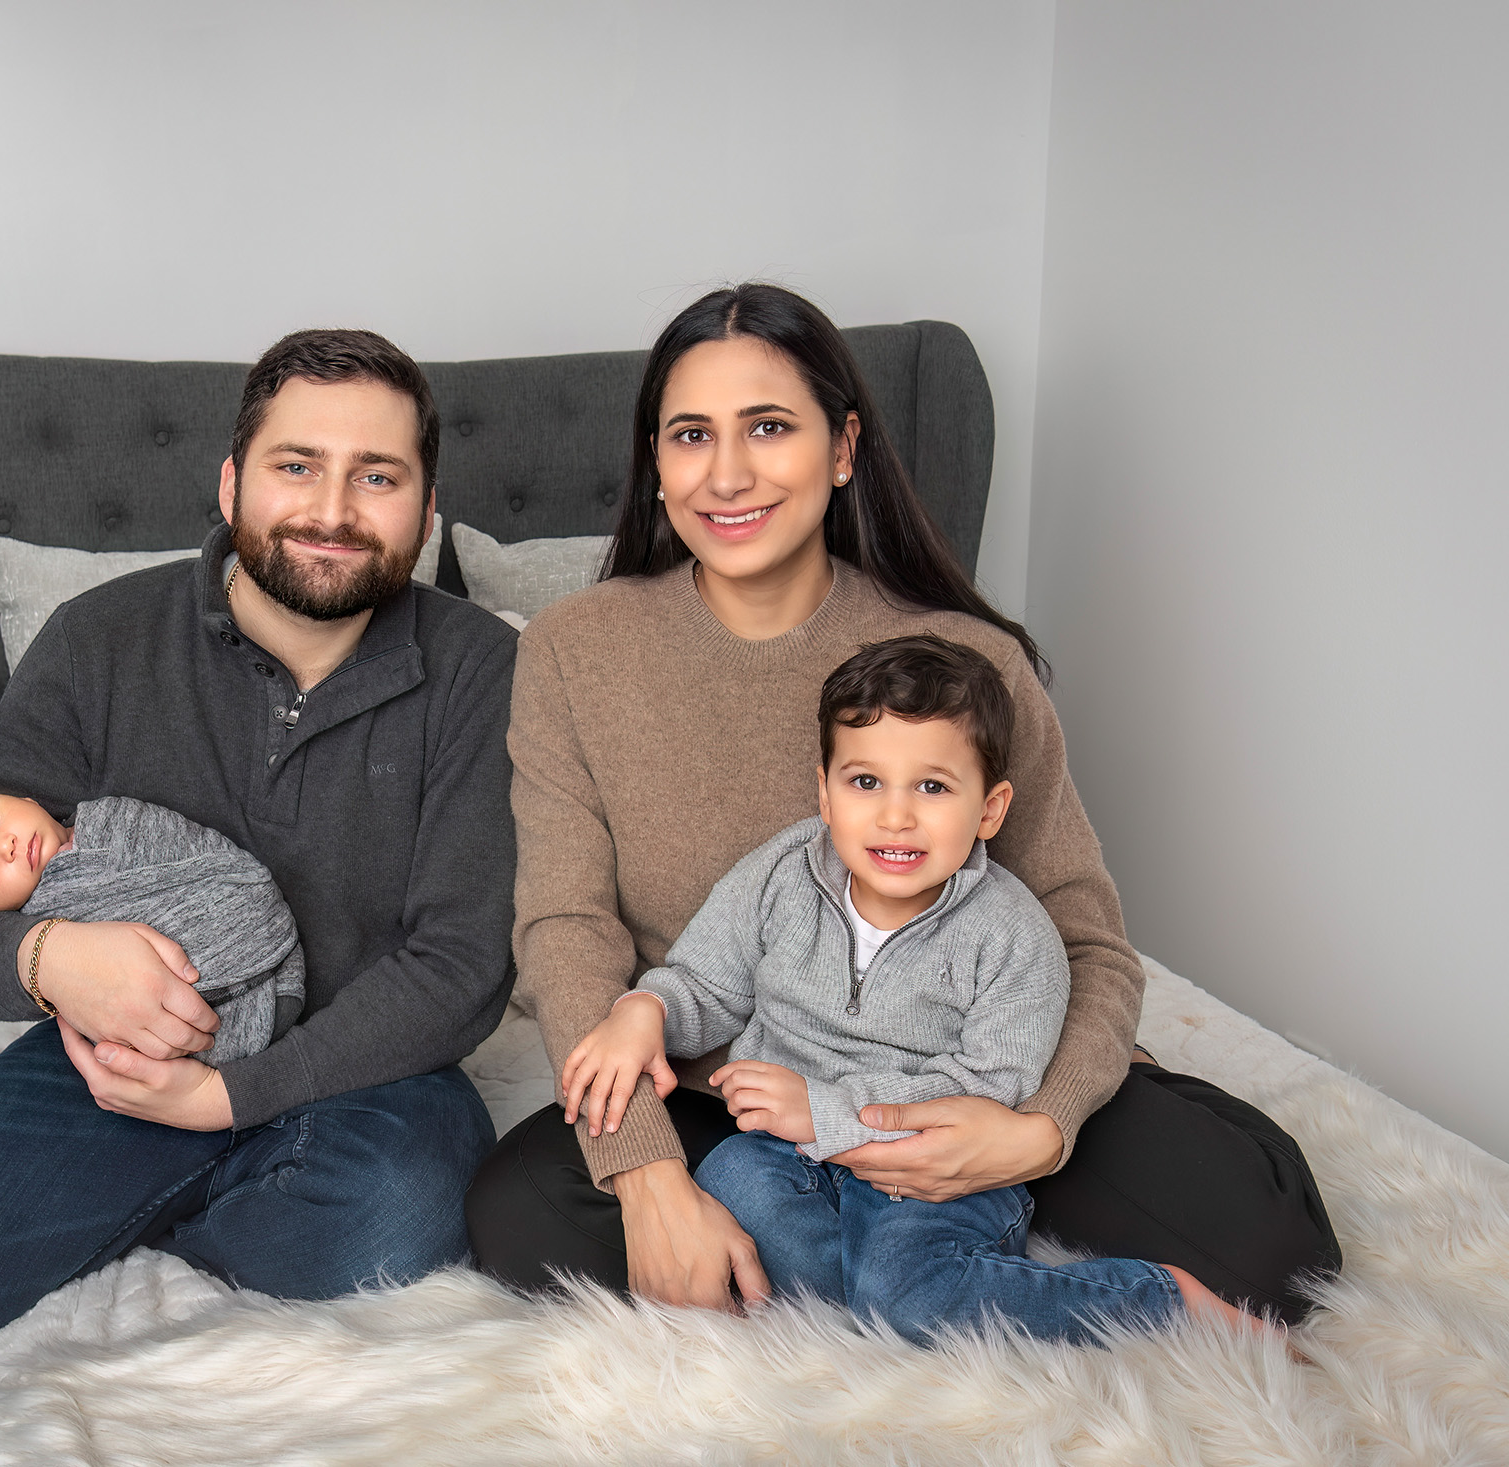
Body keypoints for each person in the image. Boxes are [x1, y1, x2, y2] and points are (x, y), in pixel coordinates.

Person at [466, 282, 1340, 1326]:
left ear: (841, 450)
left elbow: (1087, 942)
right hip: (732, 1090)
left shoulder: (968, 663)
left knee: (1272, 1245)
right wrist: (644, 1173)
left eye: (768, 428)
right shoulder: (574, 651)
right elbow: (566, 929)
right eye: (690, 434)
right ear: (653, 463)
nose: (727, 472)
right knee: (525, 1222)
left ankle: (930, 1274)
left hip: (968, 1079)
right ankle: (928, 1290)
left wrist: (1038, 1129)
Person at [0, 329, 518, 1467]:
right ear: (229, 482)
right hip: (101, 1066)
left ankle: (176, 1207)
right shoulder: (97, 640)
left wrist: (225, 1103)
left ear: (424, 507)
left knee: (402, 1208)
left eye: (377, 476)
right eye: (294, 465)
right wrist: (49, 961)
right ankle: (141, 1198)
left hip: (365, 1073)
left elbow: (461, 966)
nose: (331, 506)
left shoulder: (482, 672)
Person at [562, 635, 1266, 1343]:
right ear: (825, 792)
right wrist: (644, 1011)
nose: (895, 816)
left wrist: (826, 1113)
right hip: (782, 1153)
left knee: (907, 1290)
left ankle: (1159, 1300)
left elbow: (990, 1089)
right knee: (730, 1195)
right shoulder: (781, 874)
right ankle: (893, 1308)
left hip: (933, 1170)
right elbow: (702, 982)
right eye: (865, 782)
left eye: (931, 786)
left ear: (990, 809)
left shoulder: (1012, 936)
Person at [0, 788, 305, 1064]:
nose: (6, 845)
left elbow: (216, 863)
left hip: (272, 966)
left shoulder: (113, 821)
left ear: (22, 795)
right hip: (216, 1036)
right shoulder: (46, 920)